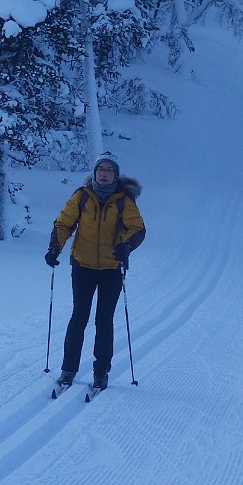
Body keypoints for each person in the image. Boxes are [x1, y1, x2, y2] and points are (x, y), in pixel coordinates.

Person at [46, 151, 145, 390]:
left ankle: (101, 372)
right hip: (83, 266)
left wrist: (126, 247)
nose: (104, 174)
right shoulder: (82, 196)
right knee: (79, 317)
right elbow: (64, 223)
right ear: (94, 173)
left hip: (111, 268)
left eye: (109, 170)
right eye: (101, 169)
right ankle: (68, 370)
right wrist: (54, 248)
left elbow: (138, 229)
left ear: (116, 175)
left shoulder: (123, 200)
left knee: (104, 320)